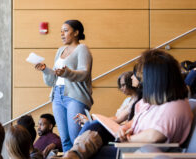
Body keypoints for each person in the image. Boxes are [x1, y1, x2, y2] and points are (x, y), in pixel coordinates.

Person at [56, 49, 193, 159]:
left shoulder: (175, 106)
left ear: (155, 79)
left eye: (142, 76)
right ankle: (73, 155)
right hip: (132, 145)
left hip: (141, 151)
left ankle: (72, 155)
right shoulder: (153, 102)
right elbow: (134, 121)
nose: (141, 81)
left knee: (93, 151)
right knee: (96, 126)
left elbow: (154, 136)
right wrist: (124, 128)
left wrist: (128, 139)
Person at [35, 20, 93, 152]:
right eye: (61, 31)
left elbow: (84, 73)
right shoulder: (60, 50)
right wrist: (45, 69)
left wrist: (66, 72)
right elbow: (53, 79)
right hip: (57, 96)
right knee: (65, 140)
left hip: (74, 97)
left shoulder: (82, 49)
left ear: (76, 32)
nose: (62, 34)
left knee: (76, 138)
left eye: (65, 30)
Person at [74, 71, 141, 125]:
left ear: (130, 83)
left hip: (121, 129)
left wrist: (91, 120)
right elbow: (115, 117)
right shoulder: (127, 100)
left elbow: (117, 119)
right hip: (116, 125)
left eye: (123, 85)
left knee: (91, 128)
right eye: (120, 85)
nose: (121, 88)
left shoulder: (137, 101)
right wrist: (93, 118)